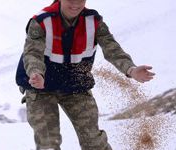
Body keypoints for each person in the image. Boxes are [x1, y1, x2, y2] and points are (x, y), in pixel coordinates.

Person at [15, 0, 155, 150]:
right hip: (40, 85)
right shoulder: (41, 21)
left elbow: (112, 49)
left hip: (76, 85)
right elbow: (32, 54)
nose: (75, 4)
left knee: (93, 140)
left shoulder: (94, 22)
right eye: (70, 0)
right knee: (49, 142)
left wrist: (131, 69)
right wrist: (36, 73)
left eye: (80, 0)